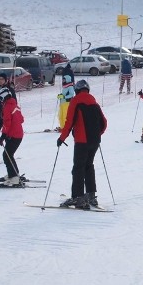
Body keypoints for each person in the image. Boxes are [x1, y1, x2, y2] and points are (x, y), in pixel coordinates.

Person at [57, 79, 108, 209]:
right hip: (95, 141)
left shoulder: (76, 101)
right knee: (89, 165)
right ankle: (91, 195)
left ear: (77, 90)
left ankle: (78, 197)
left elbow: (69, 122)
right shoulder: (94, 102)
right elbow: (104, 122)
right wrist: (97, 134)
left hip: (81, 141)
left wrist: (62, 138)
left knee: (78, 168)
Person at [0, 87, 25, 186]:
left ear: (4, 96)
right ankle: (13, 174)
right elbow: (21, 119)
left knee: (6, 155)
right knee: (9, 155)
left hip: (14, 135)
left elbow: (7, 123)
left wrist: (2, 136)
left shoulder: (7, 107)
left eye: (0, 98)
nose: (0, 101)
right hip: (18, 134)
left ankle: (14, 178)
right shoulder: (15, 105)